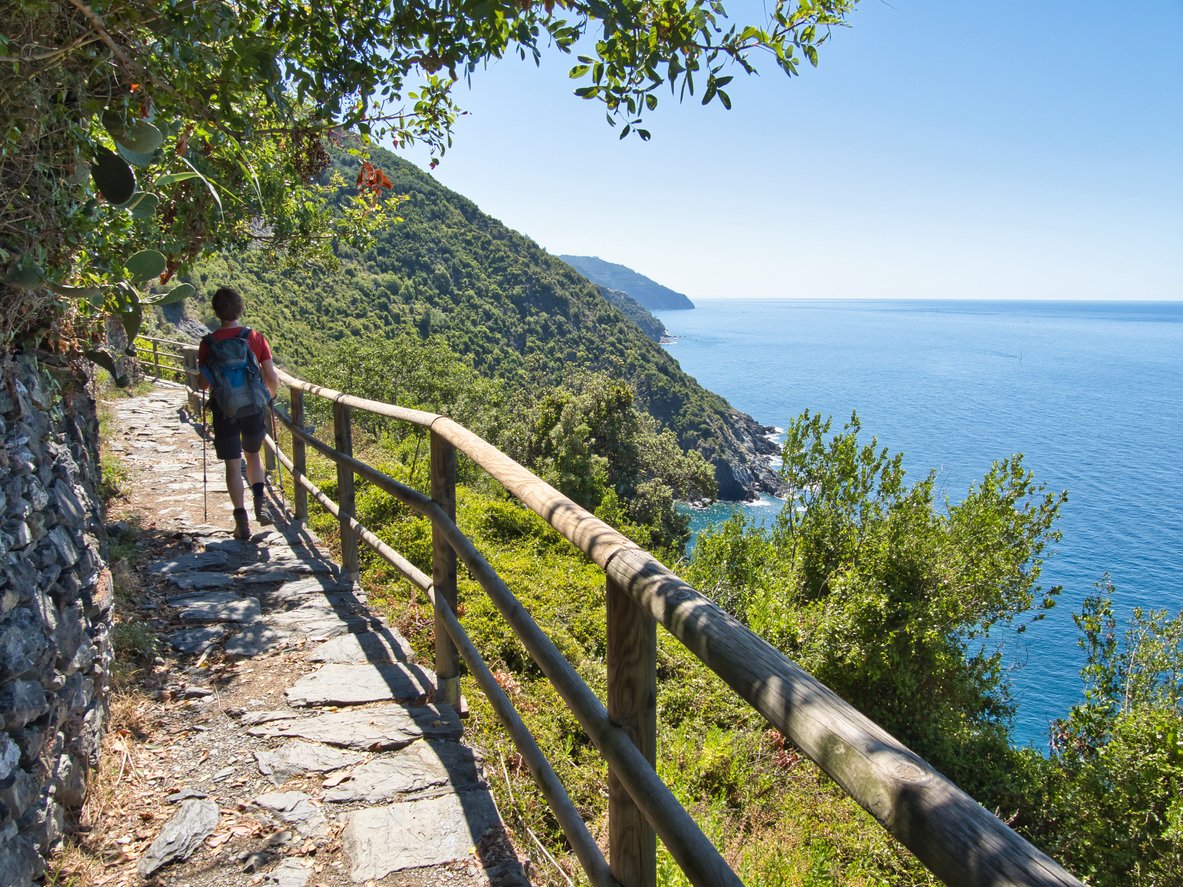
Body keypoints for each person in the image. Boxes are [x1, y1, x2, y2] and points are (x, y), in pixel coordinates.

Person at [197, 286, 280, 540]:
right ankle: (260, 502)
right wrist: (268, 397)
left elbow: (203, 383)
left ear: (216, 312)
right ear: (239, 309)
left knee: (233, 465)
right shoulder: (254, 337)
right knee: (253, 455)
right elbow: (271, 377)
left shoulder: (208, 343)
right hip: (253, 407)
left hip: (224, 410)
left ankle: (240, 519)